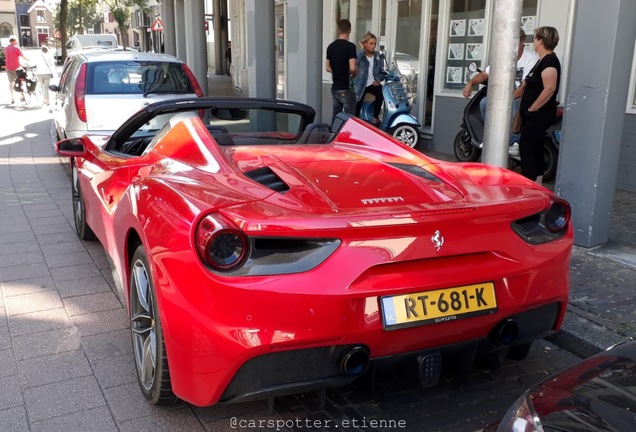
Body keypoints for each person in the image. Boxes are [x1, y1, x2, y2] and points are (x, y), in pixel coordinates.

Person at [463, 28, 538, 126]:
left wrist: (502, 100)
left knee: (515, 106)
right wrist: (470, 83)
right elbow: (484, 74)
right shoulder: (503, 58)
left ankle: (513, 139)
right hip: (505, 96)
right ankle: (490, 132)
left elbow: (523, 89)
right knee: (484, 103)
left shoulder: (531, 59)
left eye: (514, 41)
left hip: (522, 97)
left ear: (522, 42)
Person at [517, 26, 561, 185]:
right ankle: (538, 186)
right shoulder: (541, 61)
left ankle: (530, 187)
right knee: (535, 150)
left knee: (527, 150)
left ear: (541, 41)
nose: (533, 42)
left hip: (537, 116)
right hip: (533, 116)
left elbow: (550, 88)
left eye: (535, 38)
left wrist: (532, 108)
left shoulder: (550, 61)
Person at [326, 19, 357, 123]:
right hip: (346, 87)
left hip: (335, 88)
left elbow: (328, 68)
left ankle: (333, 134)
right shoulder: (351, 47)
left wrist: (337, 71)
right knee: (350, 118)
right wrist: (354, 73)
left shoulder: (331, 47)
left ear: (338, 30)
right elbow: (352, 68)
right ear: (350, 30)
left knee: (336, 115)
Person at [354, 31, 385, 126]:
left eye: (374, 43)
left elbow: (382, 71)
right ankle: (355, 123)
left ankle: (375, 119)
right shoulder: (360, 55)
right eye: (371, 43)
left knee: (381, 93)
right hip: (361, 84)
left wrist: (378, 80)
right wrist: (362, 49)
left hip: (372, 83)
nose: (373, 46)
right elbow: (355, 61)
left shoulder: (377, 56)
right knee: (357, 102)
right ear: (365, 44)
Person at [4, 35, 30, 105]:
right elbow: (23, 56)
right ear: (14, 41)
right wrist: (29, 60)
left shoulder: (6, 48)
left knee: (10, 83)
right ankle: (21, 97)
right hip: (17, 68)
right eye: (16, 40)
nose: (17, 42)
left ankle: (12, 98)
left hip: (8, 68)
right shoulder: (16, 48)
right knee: (20, 82)